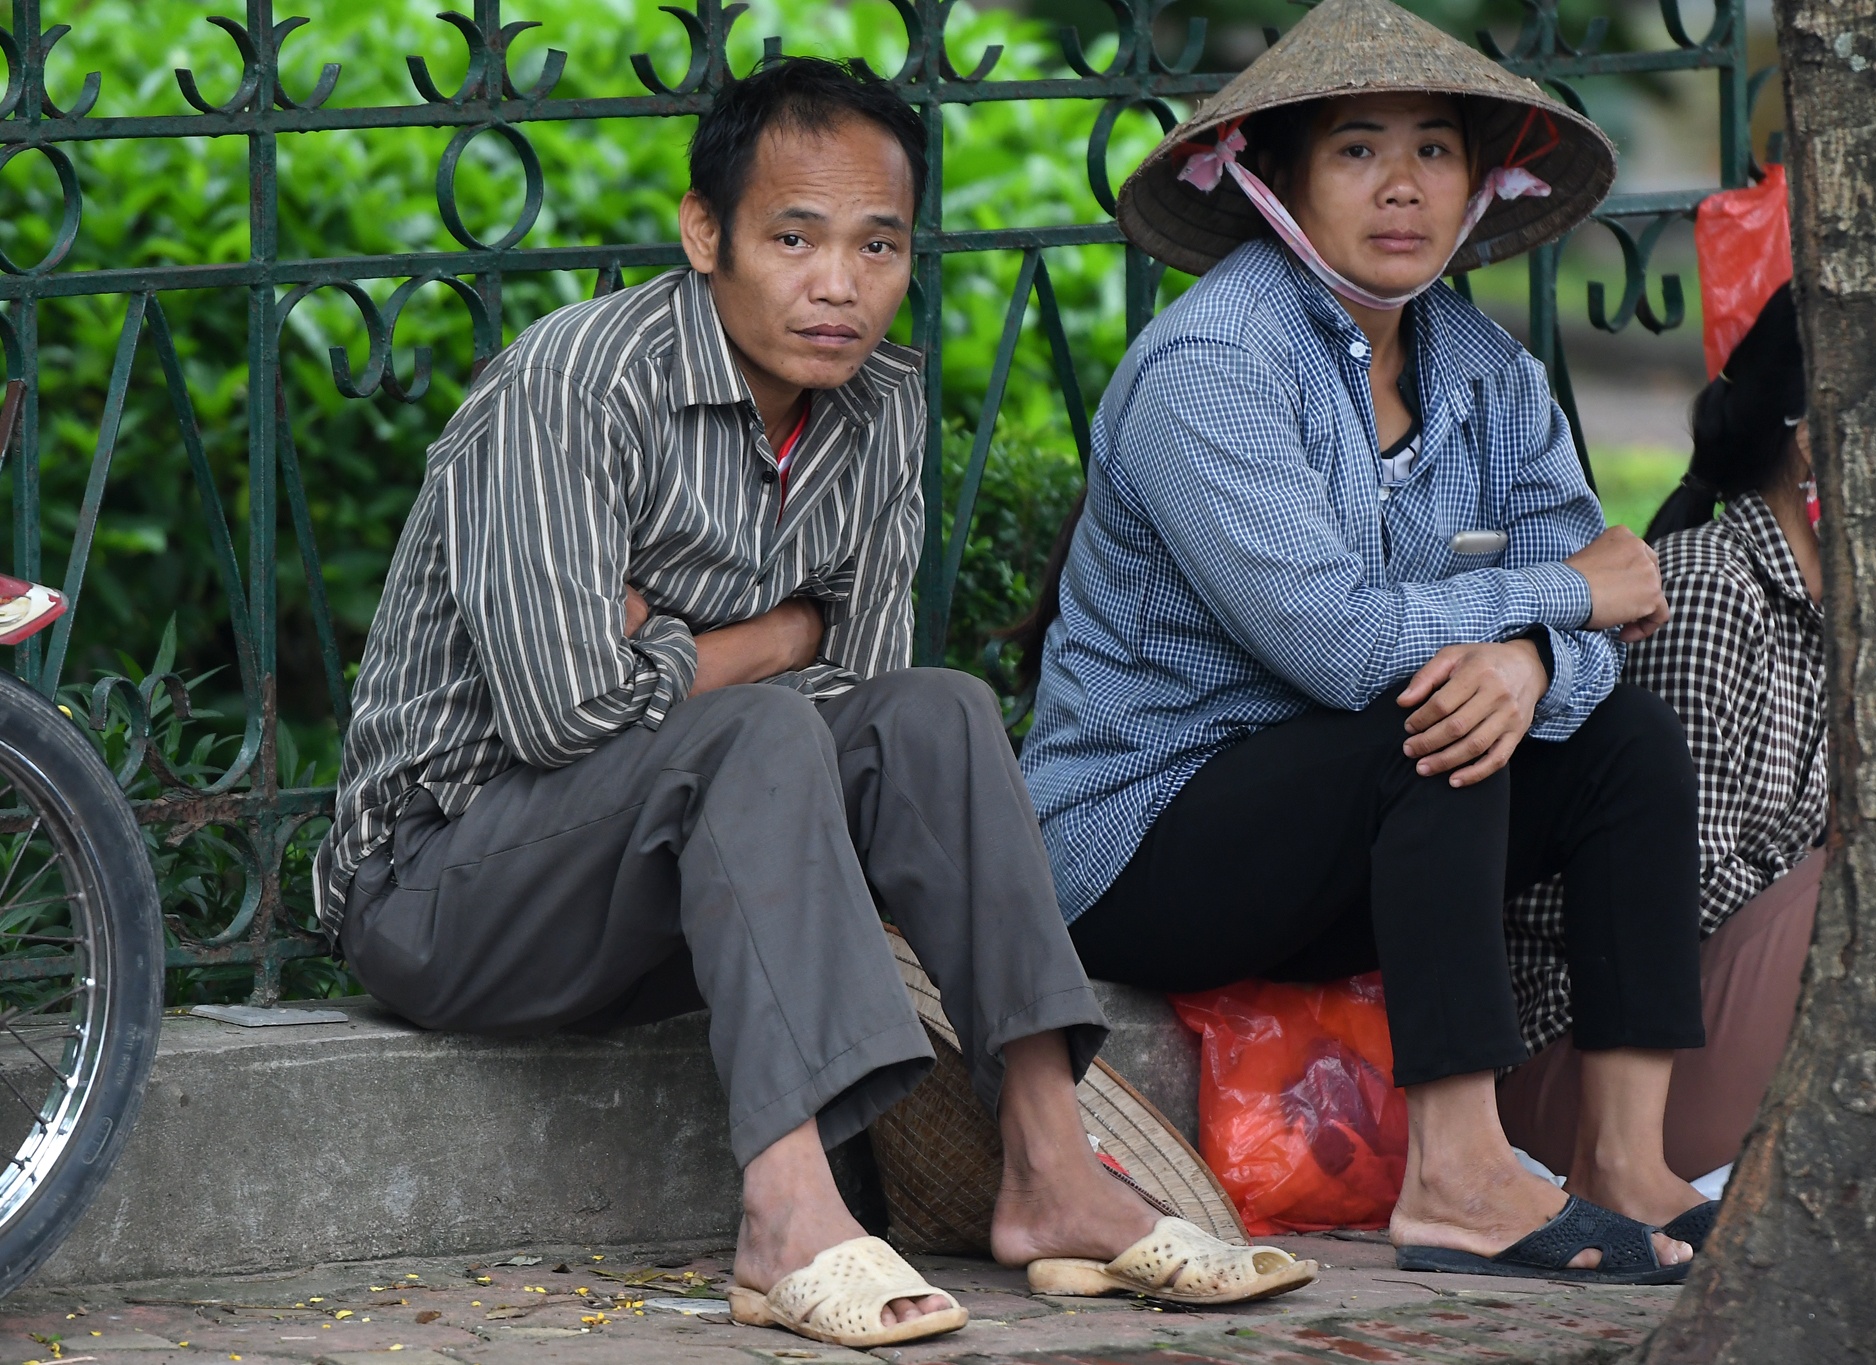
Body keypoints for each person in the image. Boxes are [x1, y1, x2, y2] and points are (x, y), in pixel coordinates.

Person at [312, 57, 1313, 1351]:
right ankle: (787, 1213)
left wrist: (675, 644)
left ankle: (1054, 1173)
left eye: (876, 245)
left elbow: (868, 696)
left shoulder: (879, 407)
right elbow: (560, 716)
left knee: (938, 712)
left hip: (663, 890)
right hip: (447, 887)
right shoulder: (575, 385)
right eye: (794, 237)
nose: (838, 283)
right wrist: (771, 638)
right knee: (766, 723)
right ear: (704, 233)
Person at [1017, 0, 1710, 1285]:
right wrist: (1558, 601)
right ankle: (1455, 1181)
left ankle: (1627, 1159)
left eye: (1434, 150)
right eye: (1353, 149)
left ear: (1481, 178)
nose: (1401, 186)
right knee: (1426, 718)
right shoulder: (1211, 365)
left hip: (1338, 853)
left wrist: (1535, 657)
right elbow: (1344, 646)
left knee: (1616, 731)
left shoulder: (1482, 372)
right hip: (1139, 846)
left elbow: (1610, 617)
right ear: (1273, 180)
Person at [1498, 284, 1827, 1212]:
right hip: (1581, 1075)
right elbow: (1664, 902)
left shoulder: (1835, 616)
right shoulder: (1710, 589)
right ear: (1814, 441)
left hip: (1714, 1029)